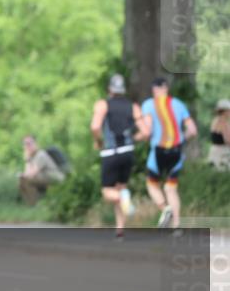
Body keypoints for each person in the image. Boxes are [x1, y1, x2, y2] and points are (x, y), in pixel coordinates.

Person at [90, 74, 148, 239]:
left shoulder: (103, 104)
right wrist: (132, 139)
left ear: (109, 89)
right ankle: (120, 230)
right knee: (120, 188)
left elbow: (95, 127)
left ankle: (123, 198)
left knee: (108, 192)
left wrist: (99, 141)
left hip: (111, 152)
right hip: (128, 152)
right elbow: (145, 132)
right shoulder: (133, 107)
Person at [138, 77, 197, 231]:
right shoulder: (178, 104)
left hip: (158, 151)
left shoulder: (149, 104)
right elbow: (192, 130)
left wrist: (138, 137)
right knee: (171, 189)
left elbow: (148, 129)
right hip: (176, 151)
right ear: (166, 88)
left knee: (151, 184)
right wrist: (182, 139)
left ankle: (165, 209)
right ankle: (177, 225)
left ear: (154, 90)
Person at [18, 136, 66, 205]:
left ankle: (33, 203)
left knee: (24, 179)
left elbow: (31, 174)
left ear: (36, 144)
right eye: (25, 144)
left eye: (30, 143)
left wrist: (27, 160)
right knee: (22, 180)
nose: (28, 146)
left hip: (55, 178)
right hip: (45, 177)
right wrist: (27, 160)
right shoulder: (32, 156)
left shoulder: (40, 155)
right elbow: (27, 173)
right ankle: (33, 202)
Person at [208, 99, 230, 171]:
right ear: (225, 111)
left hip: (214, 151)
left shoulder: (215, 120)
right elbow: (228, 140)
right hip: (222, 153)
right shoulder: (222, 122)